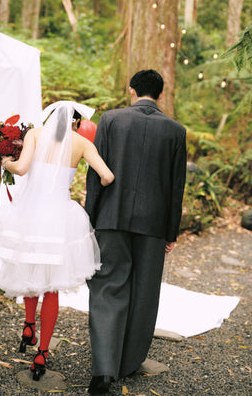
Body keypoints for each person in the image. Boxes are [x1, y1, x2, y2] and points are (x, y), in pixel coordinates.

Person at [0, 101, 114, 381]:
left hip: (29, 214)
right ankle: (42, 353)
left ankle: (28, 325)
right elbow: (107, 176)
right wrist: (99, 188)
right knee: (52, 286)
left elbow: (20, 169)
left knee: (32, 270)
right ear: (77, 122)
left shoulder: (34, 134)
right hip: (61, 217)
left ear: (50, 117)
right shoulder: (82, 143)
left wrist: (4, 161)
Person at [85, 69, 187, 395]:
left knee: (106, 289)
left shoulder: (110, 120)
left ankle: (103, 372)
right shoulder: (176, 131)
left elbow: (95, 173)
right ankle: (127, 364)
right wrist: (172, 232)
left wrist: (90, 218)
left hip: (111, 219)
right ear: (160, 94)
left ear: (131, 90)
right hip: (154, 225)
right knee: (144, 294)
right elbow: (176, 187)